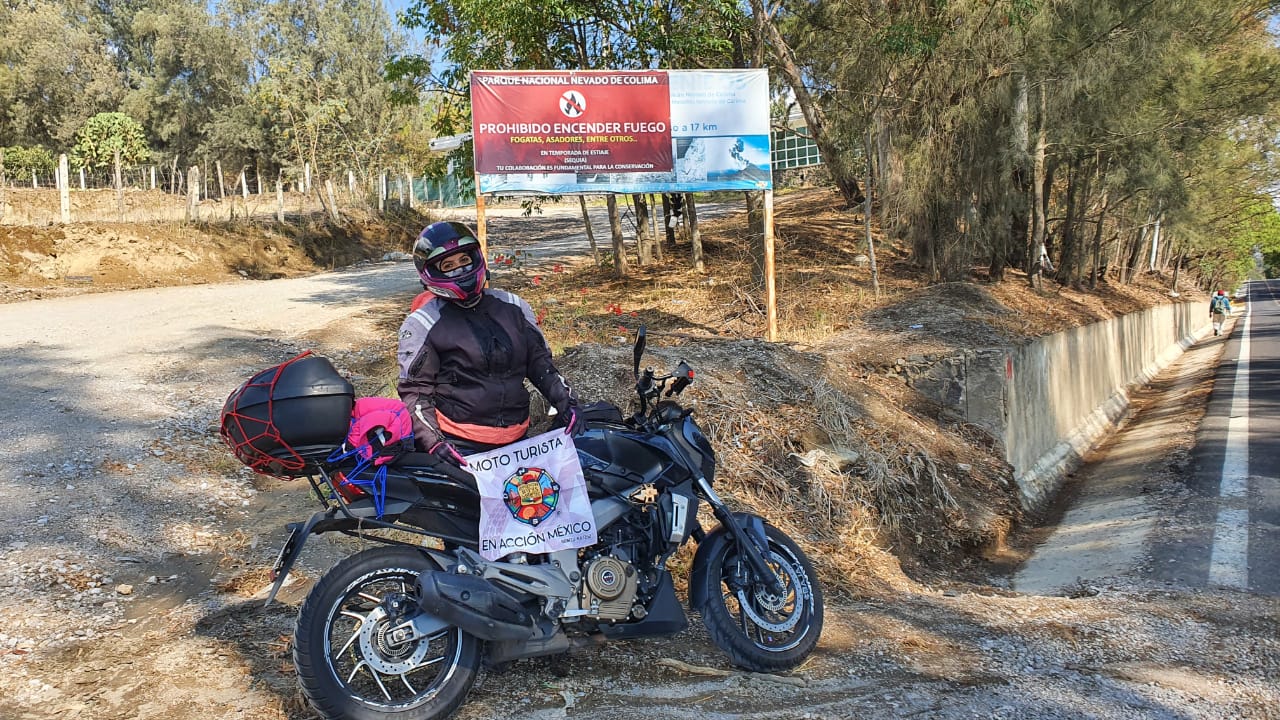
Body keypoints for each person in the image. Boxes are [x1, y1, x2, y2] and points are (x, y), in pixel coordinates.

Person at [397, 221, 581, 466]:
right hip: (460, 445)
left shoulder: (513, 306)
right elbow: (416, 393)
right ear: (432, 273)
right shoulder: (423, 323)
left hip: (520, 440)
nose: (458, 270)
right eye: (448, 266)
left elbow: (540, 364)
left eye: (464, 260)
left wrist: (567, 402)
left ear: (476, 258)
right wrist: (434, 441)